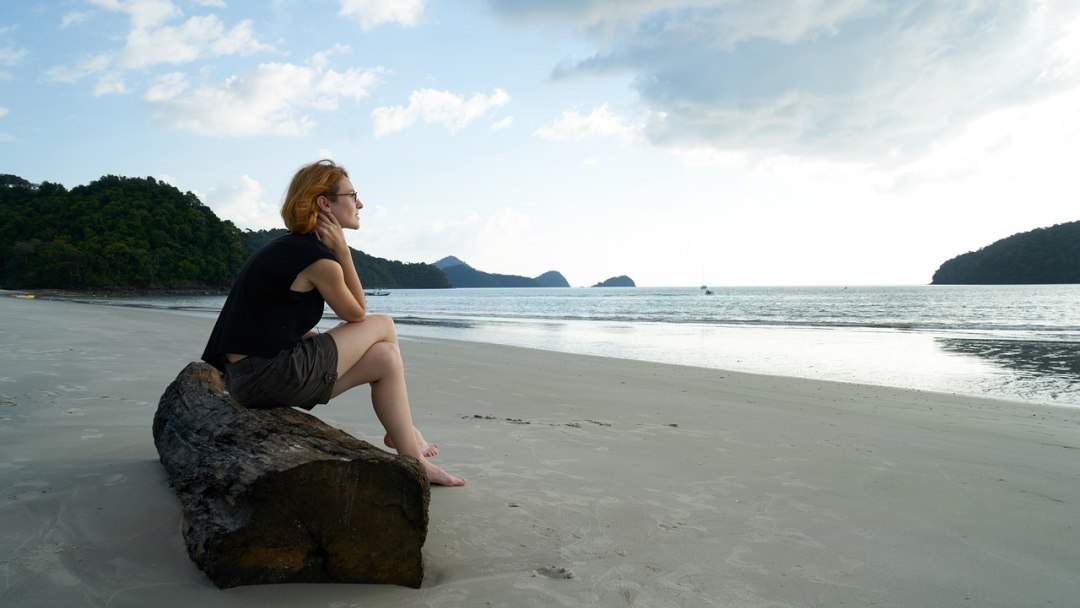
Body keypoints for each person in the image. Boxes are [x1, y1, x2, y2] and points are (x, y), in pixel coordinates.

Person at [202, 159, 465, 486]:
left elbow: (269, 322)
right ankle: (407, 437)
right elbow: (358, 313)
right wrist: (343, 250)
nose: (360, 204)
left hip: (249, 379)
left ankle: (409, 452)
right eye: (352, 195)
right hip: (267, 376)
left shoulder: (287, 249)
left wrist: (308, 338)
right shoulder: (319, 260)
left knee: (386, 358)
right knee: (383, 324)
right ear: (325, 203)